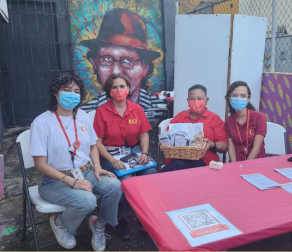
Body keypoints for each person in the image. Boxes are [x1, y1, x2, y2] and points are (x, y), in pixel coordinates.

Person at [30, 73, 122, 251]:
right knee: (87, 201)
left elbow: (93, 145)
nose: (72, 94)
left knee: (115, 187)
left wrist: (97, 167)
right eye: (66, 90)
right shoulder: (41, 123)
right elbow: (40, 165)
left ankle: (98, 224)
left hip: (86, 171)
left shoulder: (83, 116)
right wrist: (73, 182)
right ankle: (60, 222)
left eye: (76, 91)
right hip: (55, 180)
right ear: (56, 93)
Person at [94, 73, 156, 240]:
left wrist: (144, 153)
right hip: (110, 155)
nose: (119, 90)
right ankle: (120, 218)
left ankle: (145, 215)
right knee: (125, 182)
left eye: (122, 86)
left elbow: (144, 135)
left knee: (151, 175)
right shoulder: (101, 111)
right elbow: (97, 143)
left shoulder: (137, 109)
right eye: (114, 87)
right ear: (109, 90)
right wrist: (112, 160)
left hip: (134, 152)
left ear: (128, 89)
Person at [80, 8, 164, 119]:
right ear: (95, 63)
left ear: (145, 66)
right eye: (106, 59)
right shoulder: (85, 114)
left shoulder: (160, 110)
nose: (116, 71)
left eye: (128, 61)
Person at [160, 84, 228, 172]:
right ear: (188, 101)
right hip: (177, 158)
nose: (196, 102)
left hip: (204, 162)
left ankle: (155, 179)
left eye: (199, 98)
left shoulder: (215, 119)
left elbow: (224, 146)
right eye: (192, 99)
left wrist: (212, 144)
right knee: (179, 163)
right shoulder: (180, 116)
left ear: (206, 100)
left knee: (179, 165)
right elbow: (168, 136)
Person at [224, 81, 266, 162]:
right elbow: (231, 147)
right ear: (230, 98)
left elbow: (256, 148)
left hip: (256, 163)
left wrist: (244, 166)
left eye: (243, 96)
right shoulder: (229, 120)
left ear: (248, 99)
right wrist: (234, 165)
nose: (239, 98)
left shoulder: (259, 117)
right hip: (236, 164)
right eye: (235, 95)